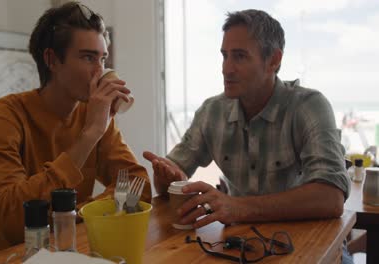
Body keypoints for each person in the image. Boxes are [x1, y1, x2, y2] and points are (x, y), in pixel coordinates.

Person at [144, 9, 351, 261]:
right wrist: (168, 178)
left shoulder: (308, 107)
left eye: (239, 56)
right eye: (224, 56)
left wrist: (237, 207)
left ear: (274, 61)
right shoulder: (212, 111)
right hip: (241, 248)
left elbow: (330, 198)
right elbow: (169, 181)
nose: (226, 68)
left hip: (312, 249)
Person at [0, 2, 151, 261]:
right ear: (52, 60)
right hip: (8, 257)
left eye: (103, 59)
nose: (100, 72)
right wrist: (89, 136)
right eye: (88, 57)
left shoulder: (92, 115)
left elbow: (136, 184)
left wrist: (81, 212)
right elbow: (12, 222)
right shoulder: (6, 115)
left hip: (67, 251)